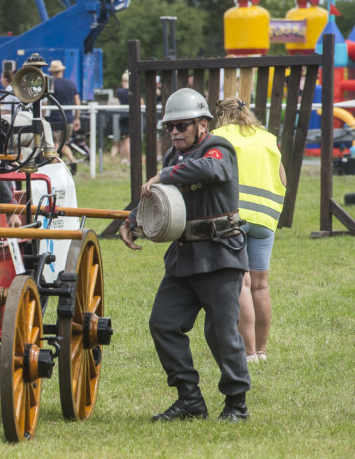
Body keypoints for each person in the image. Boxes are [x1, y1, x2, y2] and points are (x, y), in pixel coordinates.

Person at [119, 88, 251, 422]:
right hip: (184, 257)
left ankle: (237, 404)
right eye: (170, 128)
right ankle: (190, 400)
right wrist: (134, 220)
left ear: (203, 124)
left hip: (220, 255)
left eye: (182, 125)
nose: (175, 132)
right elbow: (161, 197)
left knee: (222, 333)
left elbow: (208, 170)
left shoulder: (218, 148)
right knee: (163, 324)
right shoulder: (172, 159)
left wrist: (164, 175)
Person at [214, 97, 287, 363]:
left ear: (222, 116)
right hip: (266, 219)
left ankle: (247, 352)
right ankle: (262, 351)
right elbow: (282, 179)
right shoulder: (267, 138)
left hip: (236, 216)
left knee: (242, 283)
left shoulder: (219, 136)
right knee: (260, 285)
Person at [48, 59, 81, 165]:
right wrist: (76, 118)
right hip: (69, 119)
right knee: (65, 143)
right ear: (62, 70)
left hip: (55, 118)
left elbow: (44, 102)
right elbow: (77, 102)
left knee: (55, 143)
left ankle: (55, 164)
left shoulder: (50, 84)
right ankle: (72, 160)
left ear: (51, 72)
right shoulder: (71, 84)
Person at [112, 70, 131, 162]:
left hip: (122, 117)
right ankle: (129, 159)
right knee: (127, 140)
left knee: (124, 139)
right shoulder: (133, 91)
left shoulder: (119, 92)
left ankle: (123, 158)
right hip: (131, 116)